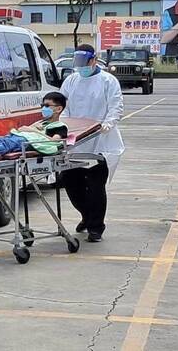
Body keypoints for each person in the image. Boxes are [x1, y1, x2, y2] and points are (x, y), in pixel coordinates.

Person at [59, 44, 124, 243]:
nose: (81, 68)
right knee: (71, 183)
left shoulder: (108, 81)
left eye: (84, 63)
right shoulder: (71, 80)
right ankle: (86, 215)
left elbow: (116, 104)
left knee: (96, 186)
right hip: (75, 141)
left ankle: (96, 227)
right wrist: (64, 126)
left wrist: (108, 123)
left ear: (93, 60)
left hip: (101, 140)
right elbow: (63, 106)